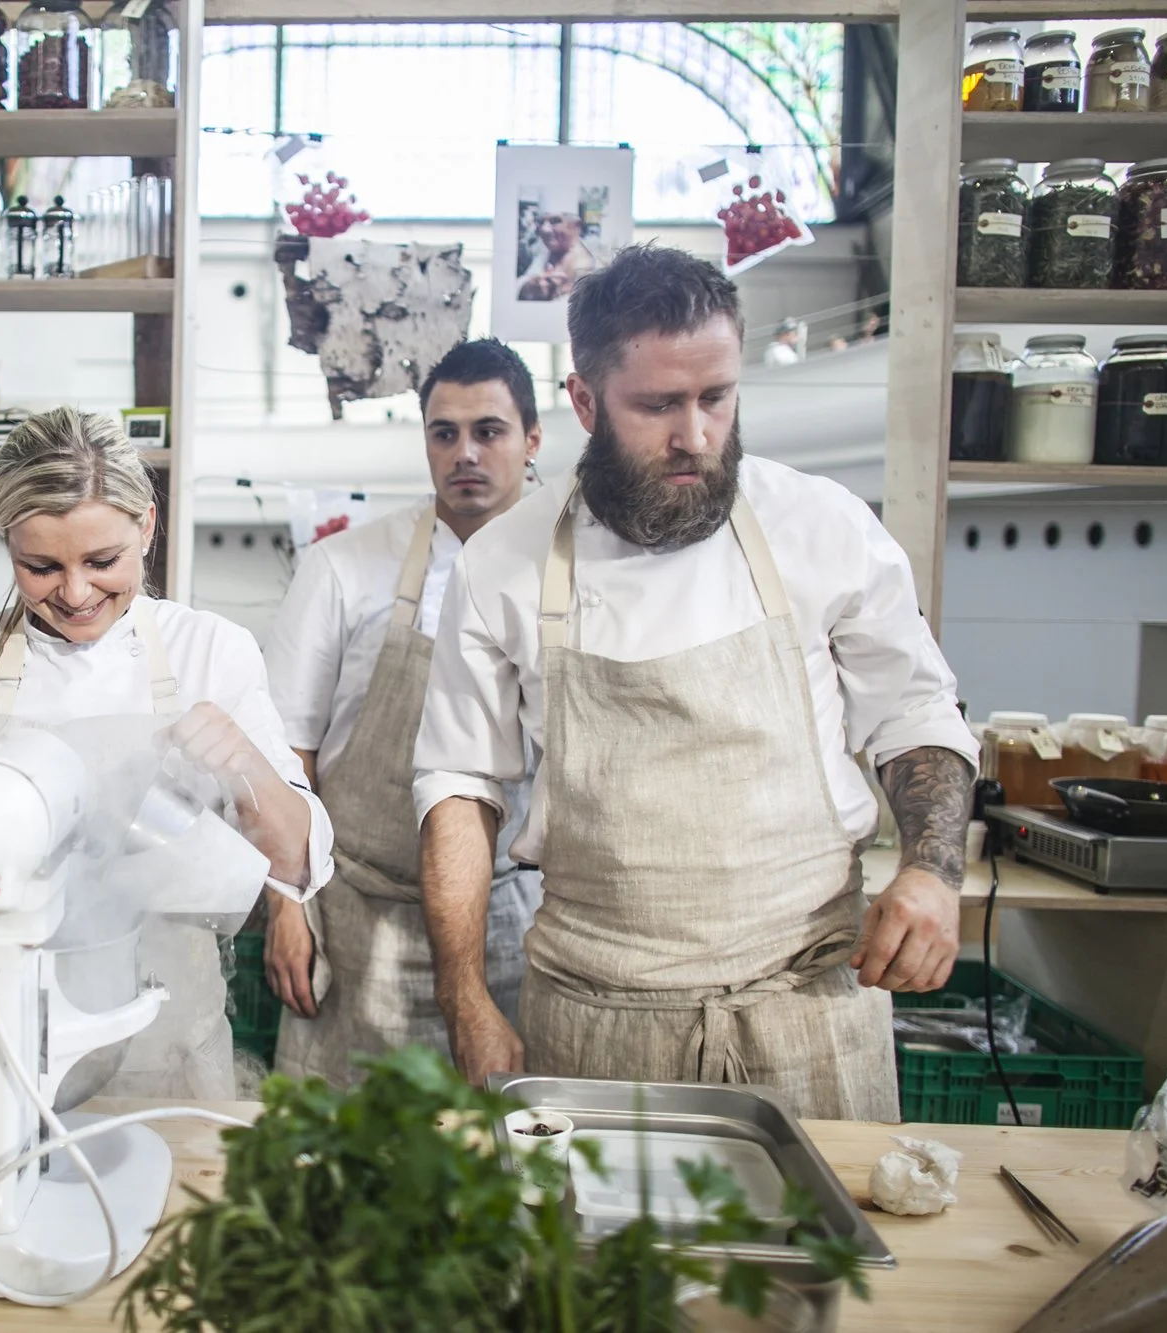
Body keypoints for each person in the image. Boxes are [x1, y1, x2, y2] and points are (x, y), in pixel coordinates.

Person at [415, 245, 979, 1120]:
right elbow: (458, 785)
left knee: (820, 1257)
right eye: (658, 406)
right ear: (585, 402)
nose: (696, 436)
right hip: (598, 1024)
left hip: (806, 1012)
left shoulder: (821, 526)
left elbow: (915, 714)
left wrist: (933, 869)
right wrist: (466, 995)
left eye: (716, 396)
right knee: (598, 1260)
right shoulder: (504, 565)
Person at [0, 407, 333, 1109]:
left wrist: (246, 767)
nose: (77, 592)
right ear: (7, 545)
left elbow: (296, 862)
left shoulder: (211, 652)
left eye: (102, 561)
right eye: (41, 565)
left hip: (168, 1037)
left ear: (146, 526)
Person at [266, 338, 542, 1087]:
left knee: (494, 1163)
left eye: (489, 430)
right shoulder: (345, 568)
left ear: (532, 439)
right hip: (358, 920)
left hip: (511, 921)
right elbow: (287, 756)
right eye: (444, 432)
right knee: (344, 1153)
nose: (465, 453)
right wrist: (288, 908)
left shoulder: (568, 573)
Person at [518, 211, 596, 302]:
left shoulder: (584, 266)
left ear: (576, 226)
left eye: (555, 221)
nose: (544, 229)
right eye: (541, 222)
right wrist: (530, 287)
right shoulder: (543, 249)